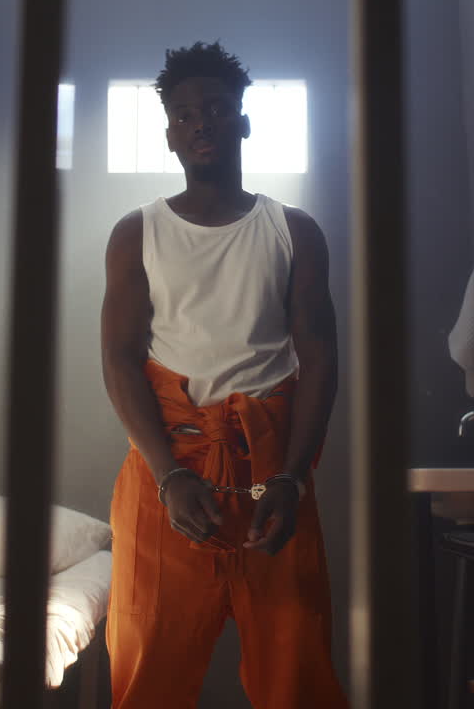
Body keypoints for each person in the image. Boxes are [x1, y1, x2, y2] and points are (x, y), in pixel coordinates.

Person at [100, 41, 350, 708]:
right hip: (170, 467)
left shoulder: (293, 230)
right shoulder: (137, 233)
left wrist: (294, 479)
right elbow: (120, 357)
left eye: (215, 108)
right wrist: (169, 475)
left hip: (273, 468)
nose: (201, 122)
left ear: (242, 120)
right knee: (146, 670)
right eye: (184, 115)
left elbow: (320, 355)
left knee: (297, 673)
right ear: (170, 136)